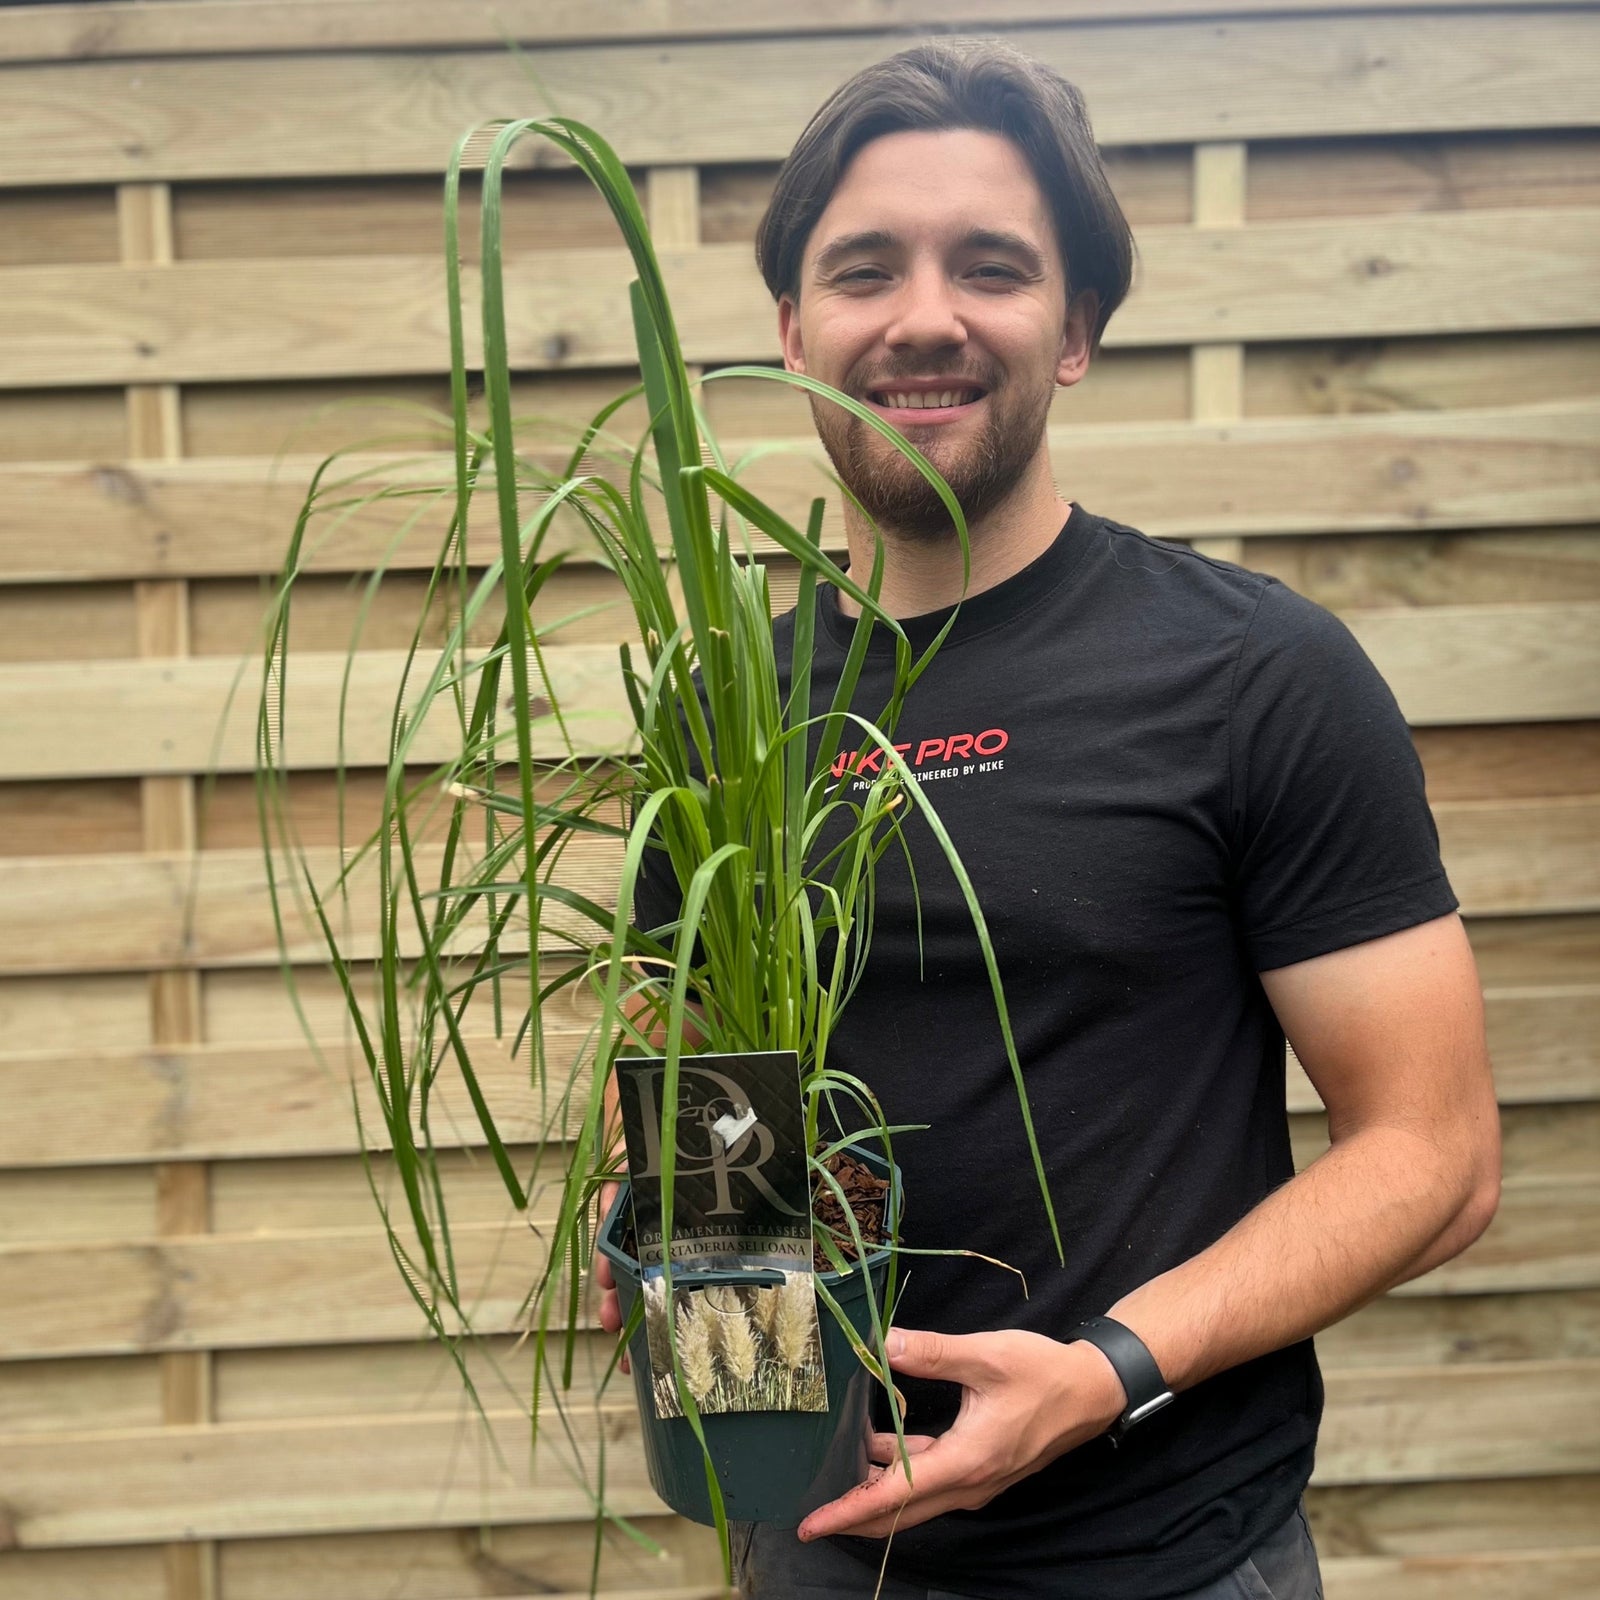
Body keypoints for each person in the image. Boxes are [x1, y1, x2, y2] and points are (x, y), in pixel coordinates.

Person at [597, 38, 1501, 1600]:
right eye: (866, 269)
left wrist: (1107, 1373)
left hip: (1169, 1559)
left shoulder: (1252, 670)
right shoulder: (728, 705)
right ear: (796, 329)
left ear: (1074, 327)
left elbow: (1437, 1150)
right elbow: (690, 1067)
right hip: (810, 1545)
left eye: (992, 268)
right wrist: (668, 1218)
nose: (925, 317)